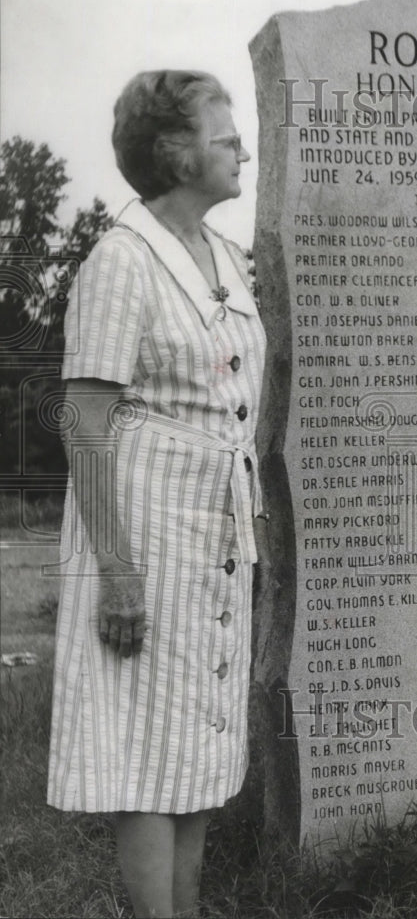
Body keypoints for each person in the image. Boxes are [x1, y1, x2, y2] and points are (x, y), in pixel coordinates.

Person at [47, 70, 266, 918]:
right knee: (144, 746)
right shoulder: (121, 258)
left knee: (198, 740)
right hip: (139, 532)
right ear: (175, 154)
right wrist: (120, 571)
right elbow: (84, 419)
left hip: (210, 528)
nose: (239, 145)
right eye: (223, 133)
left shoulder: (226, 259)